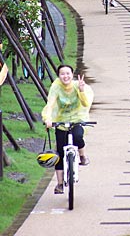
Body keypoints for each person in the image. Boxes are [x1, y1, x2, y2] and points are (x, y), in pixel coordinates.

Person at [42, 64, 94, 194]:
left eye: (68, 73)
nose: (65, 76)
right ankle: (59, 184)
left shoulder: (78, 85)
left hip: (78, 119)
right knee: (60, 152)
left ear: (72, 74)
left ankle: (82, 156)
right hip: (61, 120)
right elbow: (50, 104)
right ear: (59, 76)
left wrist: (81, 90)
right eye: (62, 74)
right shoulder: (56, 87)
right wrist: (48, 119)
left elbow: (86, 104)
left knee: (77, 137)